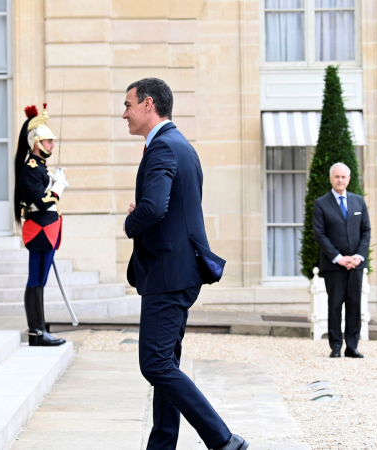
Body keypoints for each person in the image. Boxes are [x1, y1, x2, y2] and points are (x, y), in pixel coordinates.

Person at [122, 77, 248, 450]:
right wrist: (147, 209)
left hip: (167, 273)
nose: (124, 113)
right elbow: (172, 207)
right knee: (166, 365)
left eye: (128, 105)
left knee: (155, 365)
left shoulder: (162, 148)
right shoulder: (181, 146)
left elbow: (156, 207)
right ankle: (162, 445)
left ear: (148, 105)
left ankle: (223, 440)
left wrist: (132, 220)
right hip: (178, 270)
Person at [13, 104, 68, 347]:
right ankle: (36, 331)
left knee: (40, 280)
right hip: (40, 231)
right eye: (48, 142)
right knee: (36, 280)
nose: (52, 145)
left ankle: (39, 329)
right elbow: (43, 203)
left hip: (47, 230)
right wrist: (58, 187)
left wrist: (53, 180)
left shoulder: (40, 169)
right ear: (37, 142)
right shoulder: (30, 169)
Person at [312, 162, 371, 359]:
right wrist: (338, 258)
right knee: (335, 305)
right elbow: (319, 234)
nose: (340, 180)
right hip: (333, 265)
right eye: (337, 177)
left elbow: (366, 231)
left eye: (343, 177)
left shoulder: (358, 202)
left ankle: (352, 347)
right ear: (331, 179)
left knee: (354, 305)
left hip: (355, 264)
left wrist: (358, 257)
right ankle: (336, 346)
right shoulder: (321, 203)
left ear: (349, 179)